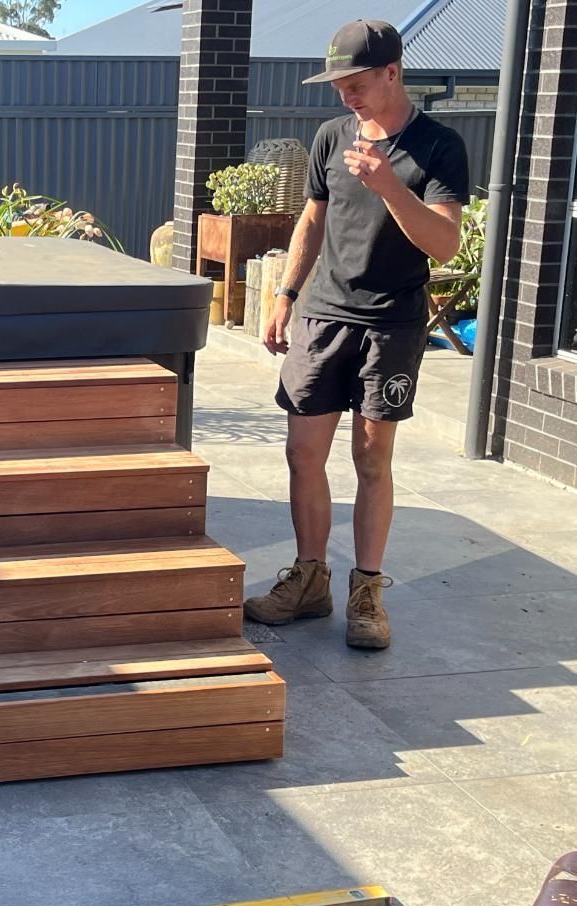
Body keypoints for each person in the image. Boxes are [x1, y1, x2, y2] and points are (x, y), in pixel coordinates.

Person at [242, 19, 469, 649]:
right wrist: (284, 294)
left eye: (357, 82)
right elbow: (313, 220)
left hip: (391, 323)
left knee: (372, 459)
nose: (346, 95)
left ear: (393, 72)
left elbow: (446, 245)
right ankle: (309, 579)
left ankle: (367, 592)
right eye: (338, 84)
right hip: (323, 316)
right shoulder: (330, 136)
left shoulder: (438, 146)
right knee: (302, 453)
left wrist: (389, 184)